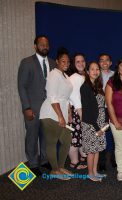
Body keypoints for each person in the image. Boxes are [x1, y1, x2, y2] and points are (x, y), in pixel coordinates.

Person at [17, 35, 55, 175]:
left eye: (46, 44)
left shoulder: (53, 63)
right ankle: (33, 163)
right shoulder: (27, 62)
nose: (44, 46)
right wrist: (26, 107)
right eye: (41, 44)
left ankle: (45, 160)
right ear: (35, 46)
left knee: (46, 136)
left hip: (49, 109)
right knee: (32, 137)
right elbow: (21, 86)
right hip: (32, 108)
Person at [39, 47, 73, 180]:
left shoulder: (65, 76)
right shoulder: (54, 74)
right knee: (52, 143)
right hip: (50, 113)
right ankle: (54, 170)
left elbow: (66, 97)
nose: (66, 64)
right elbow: (52, 97)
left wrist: (68, 113)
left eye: (68, 62)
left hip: (62, 113)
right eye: (63, 61)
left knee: (66, 141)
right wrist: (60, 116)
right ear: (57, 61)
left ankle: (60, 166)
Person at [80, 62, 107, 181]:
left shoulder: (98, 86)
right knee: (91, 151)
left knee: (97, 149)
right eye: (92, 69)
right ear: (87, 71)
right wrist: (97, 127)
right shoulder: (85, 87)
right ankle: (90, 174)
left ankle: (95, 171)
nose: (95, 71)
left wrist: (103, 122)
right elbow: (88, 110)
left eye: (97, 69)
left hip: (99, 122)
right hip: (91, 123)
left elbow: (101, 105)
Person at [68, 53, 87, 170]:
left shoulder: (83, 75)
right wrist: (81, 114)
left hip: (80, 110)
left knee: (80, 136)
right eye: (77, 62)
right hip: (77, 112)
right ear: (74, 64)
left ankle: (82, 156)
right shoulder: (75, 77)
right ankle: (73, 162)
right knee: (74, 138)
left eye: (82, 61)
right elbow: (75, 97)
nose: (81, 63)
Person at [98, 53, 116, 172]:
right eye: (102, 60)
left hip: (113, 108)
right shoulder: (95, 74)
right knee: (102, 134)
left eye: (107, 60)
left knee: (114, 134)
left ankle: (114, 159)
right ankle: (102, 161)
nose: (104, 62)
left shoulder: (115, 75)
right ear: (99, 63)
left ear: (110, 62)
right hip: (100, 109)